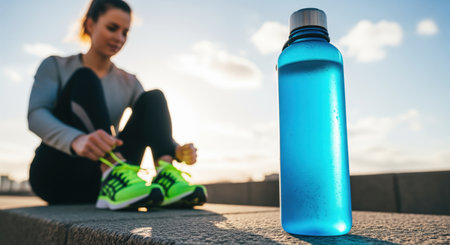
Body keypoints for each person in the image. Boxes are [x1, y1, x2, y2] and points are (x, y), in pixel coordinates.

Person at [27, 0, 207, 210]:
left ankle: (165, 175)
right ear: (90, 25)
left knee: (154, 97)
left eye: (125, 32)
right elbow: (36, 115)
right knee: (85, 78)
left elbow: (152, 124)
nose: (119, 38)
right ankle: (111, 168)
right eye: (112, 28)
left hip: (114, 186)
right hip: (57, 176)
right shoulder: (56, 66)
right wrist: (76, 139)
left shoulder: (129, 82)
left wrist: (175, 148)